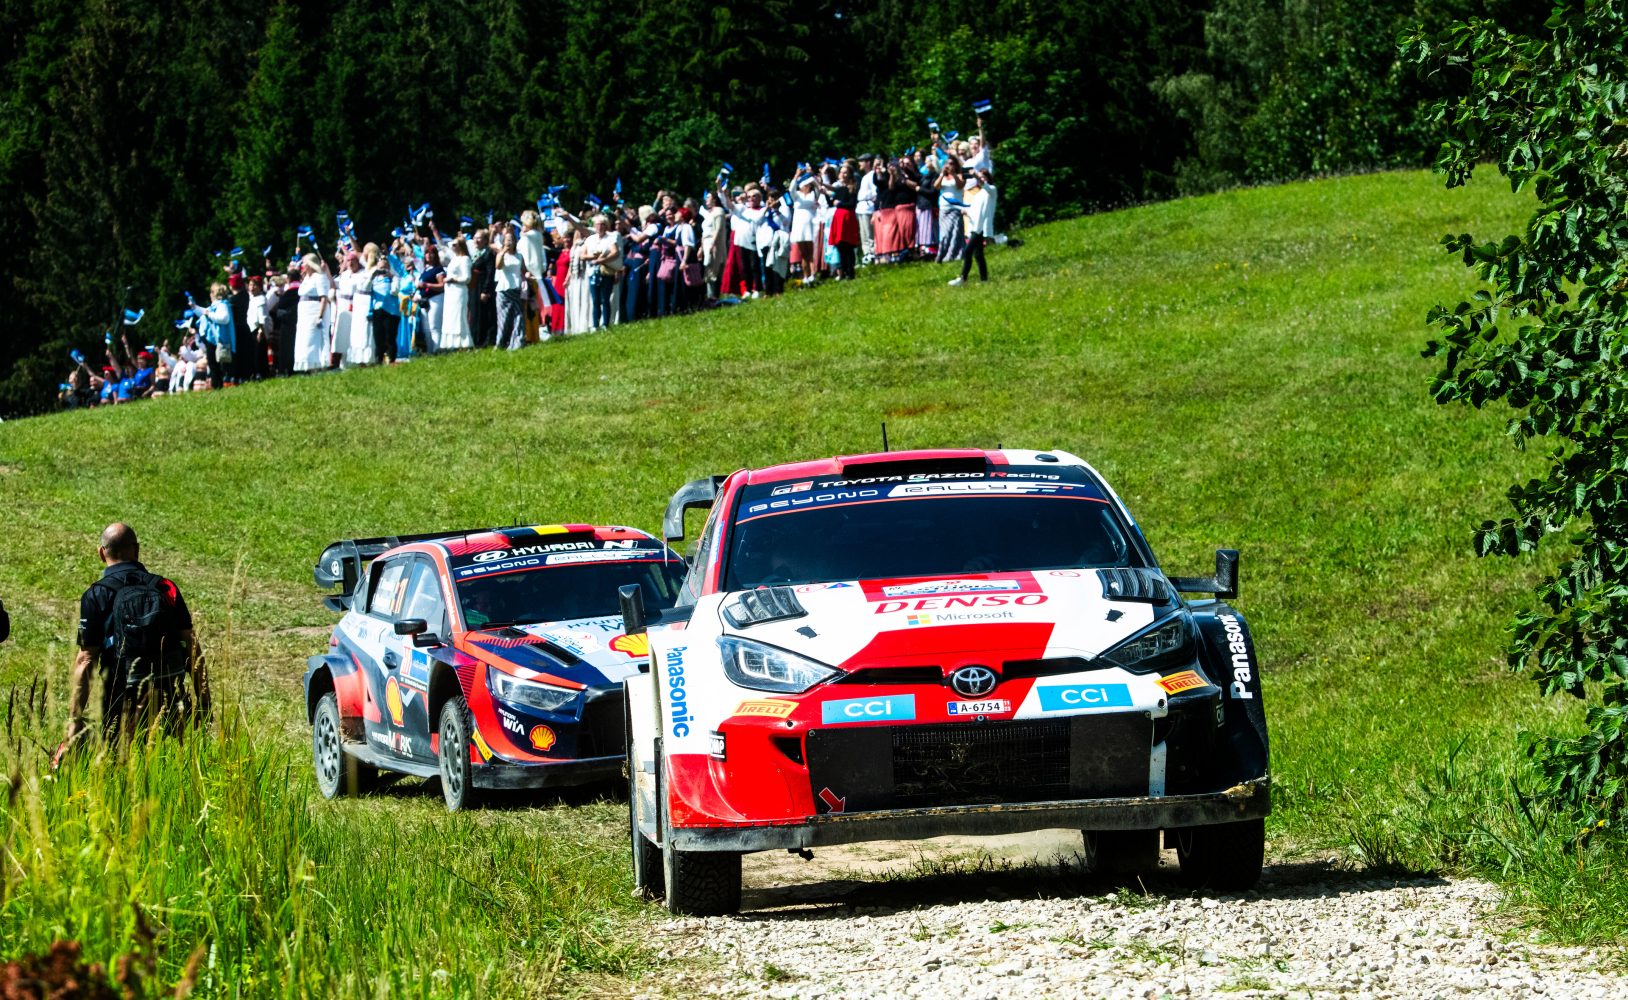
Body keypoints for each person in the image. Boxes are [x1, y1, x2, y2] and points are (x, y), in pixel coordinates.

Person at [60, 523, 209, 761]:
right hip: (170, 698)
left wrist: (74, 721)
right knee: (169, 762)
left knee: (120, 764)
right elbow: (191, 646)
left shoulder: (96, 595)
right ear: (137, 550)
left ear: (101, 553)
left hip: (120, 699)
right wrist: (204, 701)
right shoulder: (166, 587)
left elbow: (86, 660)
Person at [950, 171, 997, 286]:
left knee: (967, 251)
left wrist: (975, 175)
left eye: (983, 177)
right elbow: (975, 211)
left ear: (988, 178)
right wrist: (966, 211)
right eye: (980, 178)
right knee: (978, 254)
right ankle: (984, 280)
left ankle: (963, 278)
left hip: (981, 228)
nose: (981, 180)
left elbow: (985, 186)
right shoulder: (979, 194)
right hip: (976, 226)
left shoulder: (992, 190)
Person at [293, 254, 330, 371]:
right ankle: (307, 367)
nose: (302, 265)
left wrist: (320, 316)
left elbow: (324, 298)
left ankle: (315, 366)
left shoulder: (319, 277)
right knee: (304, 340)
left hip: (314, 312)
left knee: (312, 339)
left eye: (304, 262)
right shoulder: (306, 279)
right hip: (304, 314)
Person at [493, 229, 526, 349]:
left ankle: (517, 343)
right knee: (504, 319)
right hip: (503, 290)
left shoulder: (519, 256)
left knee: (519, 317)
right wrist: (503, 252)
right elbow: (498, 266)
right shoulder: (501, 255)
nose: (509, 242)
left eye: (511, 240)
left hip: (516, 289)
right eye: (507, 240)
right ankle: (500, 343)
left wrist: (527, 277)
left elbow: (523, 270)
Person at [441, 238, 475, 350]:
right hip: (450, 292)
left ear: (461, 246)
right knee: (450, 317)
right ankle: (450, 344)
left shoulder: (465, 259)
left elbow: (467, 278)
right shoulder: (454, 259)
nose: (453, 247)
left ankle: (463, 343)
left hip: (459, 291)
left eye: (455, 245)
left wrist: (453, 279)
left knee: (459, 317)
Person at [468, 230, 496, 348]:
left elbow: (490, 273)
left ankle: (484, 341)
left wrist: (485, 290)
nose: (476, 240)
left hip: (482, 286)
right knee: (474, 313)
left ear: (485, 240)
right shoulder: (475, 253)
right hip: (474, 286)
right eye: (475, 238)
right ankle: (475, 339)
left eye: (479, 238)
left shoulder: (488, 253)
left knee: (482, 314)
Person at [419, 244, 447, 352]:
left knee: (435, 326)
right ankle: (429, 351)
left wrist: (427, 285)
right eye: (427, 253)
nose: (428, 255)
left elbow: (442, 285)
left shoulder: (438, 269)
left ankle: (437, 350)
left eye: (431, 253)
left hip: (436, 299)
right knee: (426, 328)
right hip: (424, 301)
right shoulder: (425, 270)